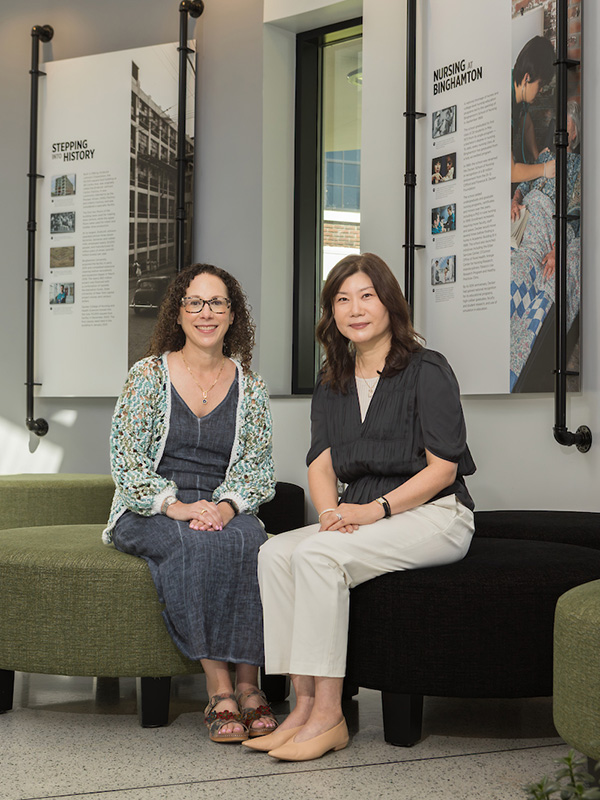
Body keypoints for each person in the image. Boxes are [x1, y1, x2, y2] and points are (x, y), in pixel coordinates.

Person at [244, 253, 476, 762]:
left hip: (435, 514)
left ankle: (331, 716)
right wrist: (329, 516)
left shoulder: (427, 369)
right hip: (356, 512)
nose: (355, 308)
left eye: (367, 295)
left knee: (318, 557)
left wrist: (374, 511)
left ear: (389, 302)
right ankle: (302, 709)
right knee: (275, 554)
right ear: (332, 314)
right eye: (342, 299)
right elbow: (321, 466)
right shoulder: (333, 380)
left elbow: (444, 469)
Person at [103, 262, 278, 743]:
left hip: (223, 504)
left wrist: (225, 508)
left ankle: (250, 686)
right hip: (150, 508)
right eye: (194, 303)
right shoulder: (147, 376)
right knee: (194, 545)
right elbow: (126, 459)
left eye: (217, 302)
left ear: (232, 314)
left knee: (255, 543)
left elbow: (257, 466)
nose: (206, 313)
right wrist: (176, 505)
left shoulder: (251, 386)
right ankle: (220, 690)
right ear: (177, 315)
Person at [509, 101, 581, 390]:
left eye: (568, 128)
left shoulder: (578, 166)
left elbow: (576, 215)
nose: (562, 133)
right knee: (508, 265)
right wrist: (514, 200)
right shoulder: (546, 155)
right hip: (523, 215)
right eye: (559, 127)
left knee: (524, 269)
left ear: (575, 135)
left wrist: (559, 248)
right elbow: (524, 185)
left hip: (547, 221)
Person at [511, 35, 556, 185]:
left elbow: (527, 123)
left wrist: (538, 157)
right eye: (540, 84)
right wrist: (543, 169)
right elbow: (510, 172)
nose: (542, 90)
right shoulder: (502, 105)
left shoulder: (518, 90)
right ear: (527, 78)